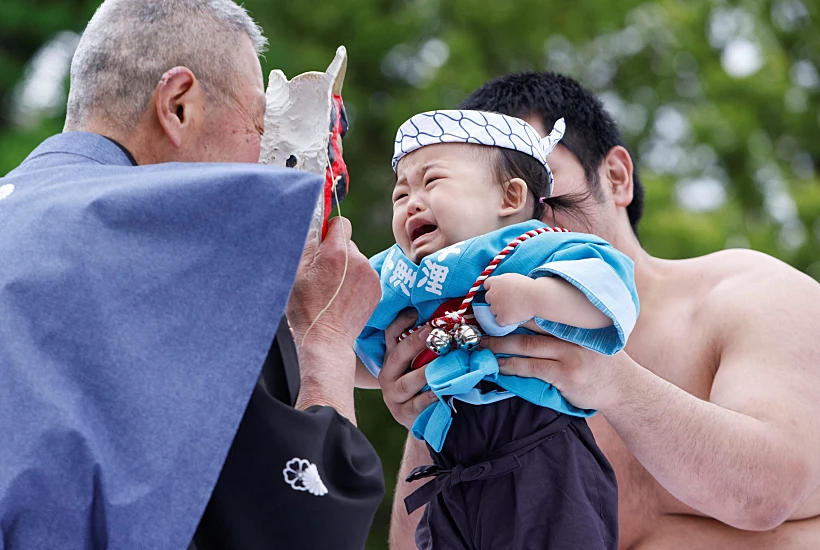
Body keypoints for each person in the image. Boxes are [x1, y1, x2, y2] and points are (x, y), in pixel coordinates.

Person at [0, 1, 383, 549]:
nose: (261, 154)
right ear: (178, 105)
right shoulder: (182, 251)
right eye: (259, 122)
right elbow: (305, 527)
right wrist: (326, 339)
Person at [382, 71, 820, 549]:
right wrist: (433, 407)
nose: (519, 217)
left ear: (615, 177)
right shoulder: (473, 344)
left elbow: (768, 495)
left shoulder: (749, 294)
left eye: (538, 186)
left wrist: (617, 384)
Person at [355, 109, 640, 548]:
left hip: (543, 458)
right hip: (451, 465)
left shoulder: (532, 246)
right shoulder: (399, 272)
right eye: (400, 194)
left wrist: (538, 297)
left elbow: (610, 298)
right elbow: (355, 348)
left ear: (509, 198)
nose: (411, 202)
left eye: (431, 182)